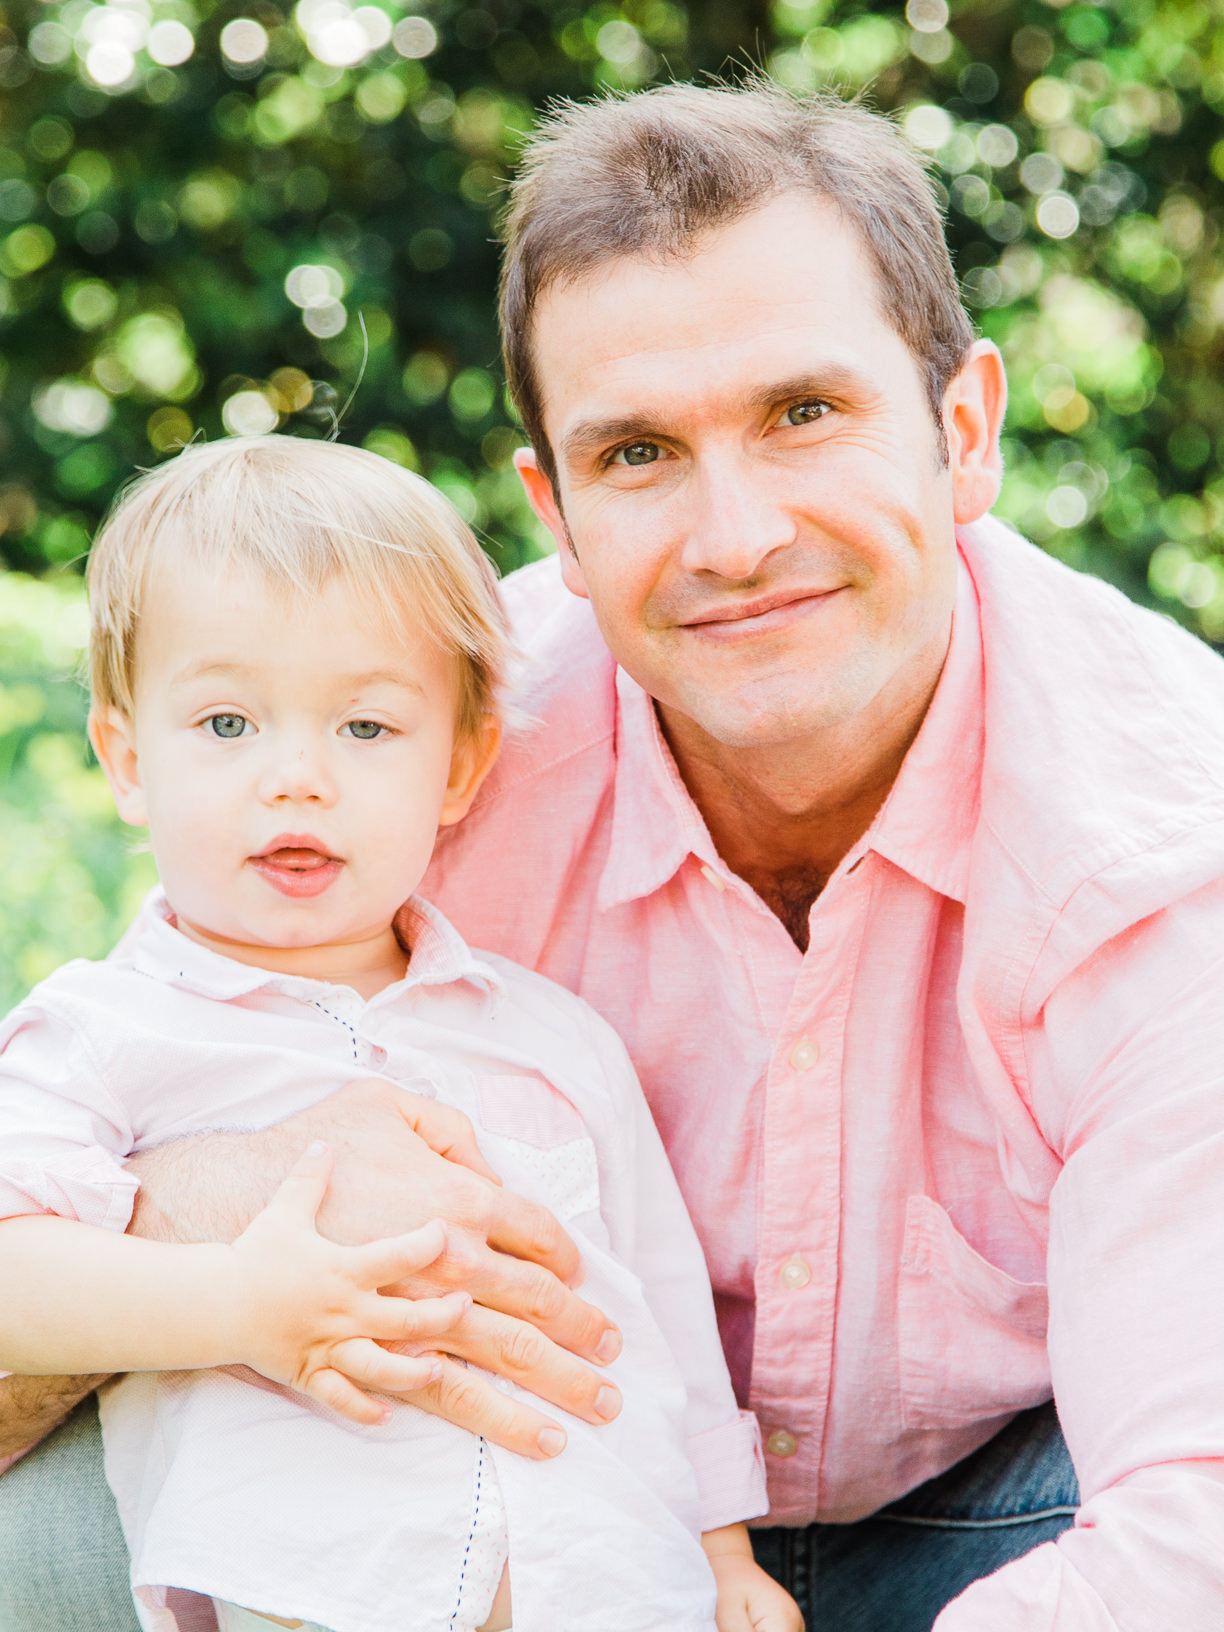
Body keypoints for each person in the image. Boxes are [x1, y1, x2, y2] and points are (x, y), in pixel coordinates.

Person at [5, 76, 1224, 1631]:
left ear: (965, 428)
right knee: (59, 1479)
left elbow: (1203, 1497)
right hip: (499, 1522)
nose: (732, 537)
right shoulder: (393, 751)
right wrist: (221, 1217)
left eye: (805, 413)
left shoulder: (1168, 852)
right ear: (557, 516)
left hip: (1007, 1515)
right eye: (639, 453)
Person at [0, 435, 793, 1632]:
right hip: (316, 1596)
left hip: (612, 1590)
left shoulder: (552, 1038)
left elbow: (663, 1310)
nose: (297, 777)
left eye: (367, 729)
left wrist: (723, 1551)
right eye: (225, 724)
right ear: (126, 760)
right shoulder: (102, 1031)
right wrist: (234, 1301)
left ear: (462, 767)